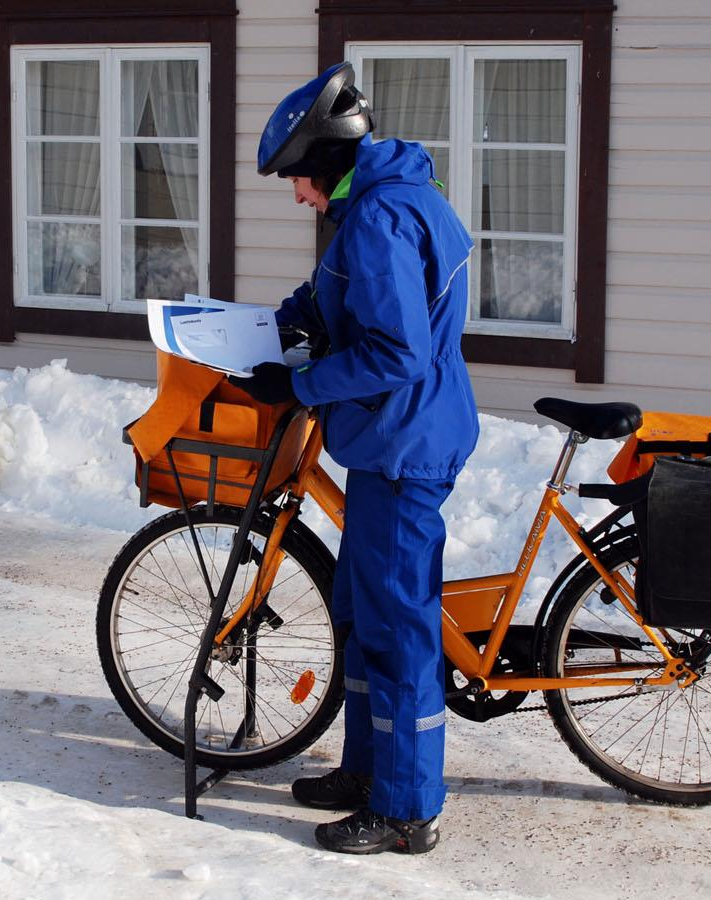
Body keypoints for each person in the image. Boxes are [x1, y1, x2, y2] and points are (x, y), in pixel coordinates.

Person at [229, 62, 479, 855]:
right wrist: (278, 325)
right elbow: (337, 291)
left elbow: (395, 351)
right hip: (395, 436)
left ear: (326, 163)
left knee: (400, 627)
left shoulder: (377, 219)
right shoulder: (385, 201)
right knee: (365, 612)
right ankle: (367, 772)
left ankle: (407, 809)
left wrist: (303, 384)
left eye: (298, 181)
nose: (298, 196)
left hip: (403, 442)